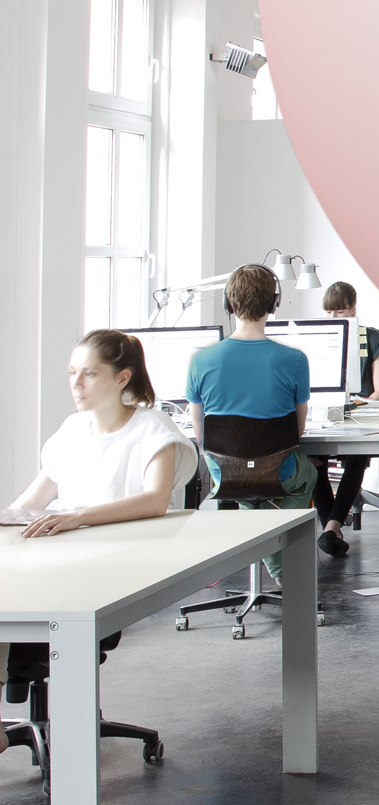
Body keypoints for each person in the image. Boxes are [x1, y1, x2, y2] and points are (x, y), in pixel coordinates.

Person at [0, 329, 196, 749]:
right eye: (72, 372)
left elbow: (155, 500)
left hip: (111, 570)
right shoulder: (72, 429)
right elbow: (31, 502)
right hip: (57, 561)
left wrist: (76, 518)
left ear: (122, 377)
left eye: (89, 374)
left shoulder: (152, 429)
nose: (76, 384)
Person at [185, 264, 318, 565]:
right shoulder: (295, 360)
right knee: (308, 474)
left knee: (249, 489)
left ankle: (263, 542)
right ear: (274, 304)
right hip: (279, 471)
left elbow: (201, 435)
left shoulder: (200, 360)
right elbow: (296, 433)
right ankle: (279, 562)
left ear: (228, 304)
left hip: (224, 474)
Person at [311, 281, 379, 557]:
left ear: (353, 309)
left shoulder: (371, 338)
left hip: (360, 415)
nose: (333, 318)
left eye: (340, 312)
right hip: (325, 414)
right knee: (314, 458)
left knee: (357, 455)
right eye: (329, 312)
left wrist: (355, 403)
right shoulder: (318, 339)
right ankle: (331, 532)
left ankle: (331, 528)